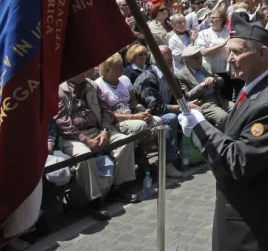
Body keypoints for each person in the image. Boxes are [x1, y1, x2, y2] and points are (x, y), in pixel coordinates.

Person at [177, 15, 268, 251]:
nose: (230, 59)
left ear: (263, 54)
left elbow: (240, 161)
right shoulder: (255, 88)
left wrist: (199, 127)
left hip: (256, 227)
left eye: (237, 52)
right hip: (247, 215)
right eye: (229, 51)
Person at [56, 68, 140, 220]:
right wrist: (85, 140)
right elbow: (62, 122)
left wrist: (106, 130)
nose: (85, 70)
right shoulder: (60, 90)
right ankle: (93, 201)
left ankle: (117, 187)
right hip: (73, 137)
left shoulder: (92, 85)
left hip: (97, 130)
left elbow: (106, 110)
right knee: (84, 156)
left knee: (124, 142)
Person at [132, 46, 183, 178]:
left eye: (171, 57)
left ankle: (186, 153)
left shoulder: (169, 74)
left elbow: (178, 95)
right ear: (157, 60)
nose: (171, 61)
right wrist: (179, 107)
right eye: (167, 58)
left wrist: (187, 105)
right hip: (147, 115)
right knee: (171, 117)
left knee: (189, 114)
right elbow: (154, 107)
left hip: (162, 110)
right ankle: (167, 162)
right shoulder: (148, 78)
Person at [175, 46, 230, 130]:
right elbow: (187, 96)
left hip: (219, 98)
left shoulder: (207, 66)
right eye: (196, 58)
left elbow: (221, 81)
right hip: (204, 103)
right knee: (223, 117)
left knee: (237, 109)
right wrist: (201, 85)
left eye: (200, 56)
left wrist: (214, 80)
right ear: (186, 61)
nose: (200, 59)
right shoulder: (181, 75)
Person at [196, 8, 232, 100]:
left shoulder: (228, 32)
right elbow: (203, 52)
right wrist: (221, 45)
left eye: (214, 17)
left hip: (226, 72)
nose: (210, 19)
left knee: (227, 98)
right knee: (213, 98)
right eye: (210, 17)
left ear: (222, 19)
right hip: (210, 73)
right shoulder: (204, 33)